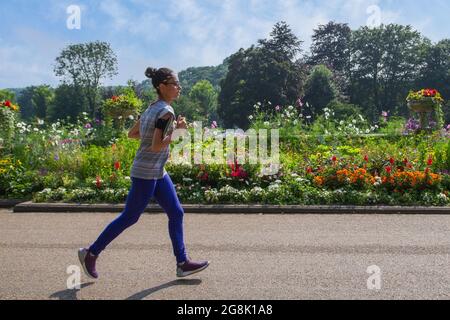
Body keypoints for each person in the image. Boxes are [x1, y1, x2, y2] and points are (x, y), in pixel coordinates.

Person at [78, 67, 210, 279]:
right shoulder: (166, 112)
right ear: (162, 86)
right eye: (175, 84)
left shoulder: (152, 108)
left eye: (178, 84)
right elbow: (157, 146)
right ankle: (91, 253)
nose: (179, 88)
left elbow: (133, 134)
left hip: (157, 172)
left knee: (176, 213)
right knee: (130, 217)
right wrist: (178, 132)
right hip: (146, 173)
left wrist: (160, 132)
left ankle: (182, 262)